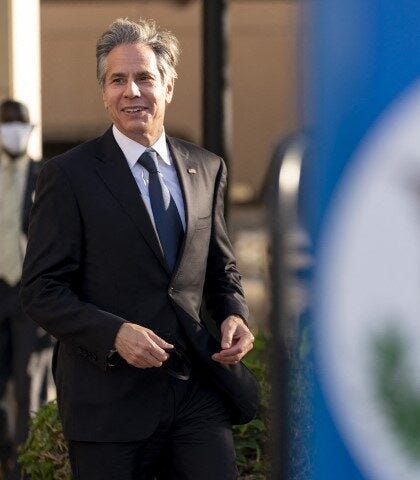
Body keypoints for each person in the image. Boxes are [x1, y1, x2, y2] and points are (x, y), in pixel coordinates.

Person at [20, 18, 254, 479]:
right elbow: (42, 290)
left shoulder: (207, 168)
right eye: (118, 80)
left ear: (167, 84)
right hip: (109, 406)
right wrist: (114, 334)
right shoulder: (68, 176)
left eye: (144, 77)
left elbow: (221, 270)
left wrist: (234, 315)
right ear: (104, 92)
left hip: (197, 395)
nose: (132, 91)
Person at [0, 99, 53, 479]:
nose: (13, 130)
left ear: (31, 129)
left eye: (19, 124)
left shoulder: (46, 177)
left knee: (29, 388)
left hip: (29, 299)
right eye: (6, 124)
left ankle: (23, 470)